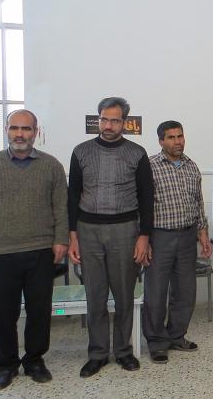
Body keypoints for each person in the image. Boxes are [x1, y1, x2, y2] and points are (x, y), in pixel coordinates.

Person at [68, 97, 154, 377]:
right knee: (95, 296)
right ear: (98, 119)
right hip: (88, 231)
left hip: (125, 231)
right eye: (104, 119)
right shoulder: (81, 152)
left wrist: (144, 236)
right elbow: (73, 195)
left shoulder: (137, 153)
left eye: (114, 121)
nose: (108, 125)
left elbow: (147, 198)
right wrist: (73, 236)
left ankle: (124, 351)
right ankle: (97, 354)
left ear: (124, 123)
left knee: (124, 295)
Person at [0, 110, 68, 390]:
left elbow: (61, 207)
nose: (20, 134)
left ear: (36, 132)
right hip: (0, 252)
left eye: (26, 128)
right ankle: (6, 365)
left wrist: (61, 240)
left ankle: (34, 360)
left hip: (41, 250)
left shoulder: (52, 166)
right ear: (6, 130)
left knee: (39, 311)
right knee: (3, 313)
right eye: (14, 128)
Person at [142, 121, 213, 364]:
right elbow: (142, 206)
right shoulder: (150, 166)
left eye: (180, 136)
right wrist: (144, 239)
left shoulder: (191, 166)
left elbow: (198, 203)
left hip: (187, 236)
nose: (177, 141)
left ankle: (176, 335)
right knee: (156, 292)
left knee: (185, 291)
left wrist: (202, 233)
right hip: (159, 237)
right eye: (171, 137)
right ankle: (156, 342)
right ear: (161, 141)